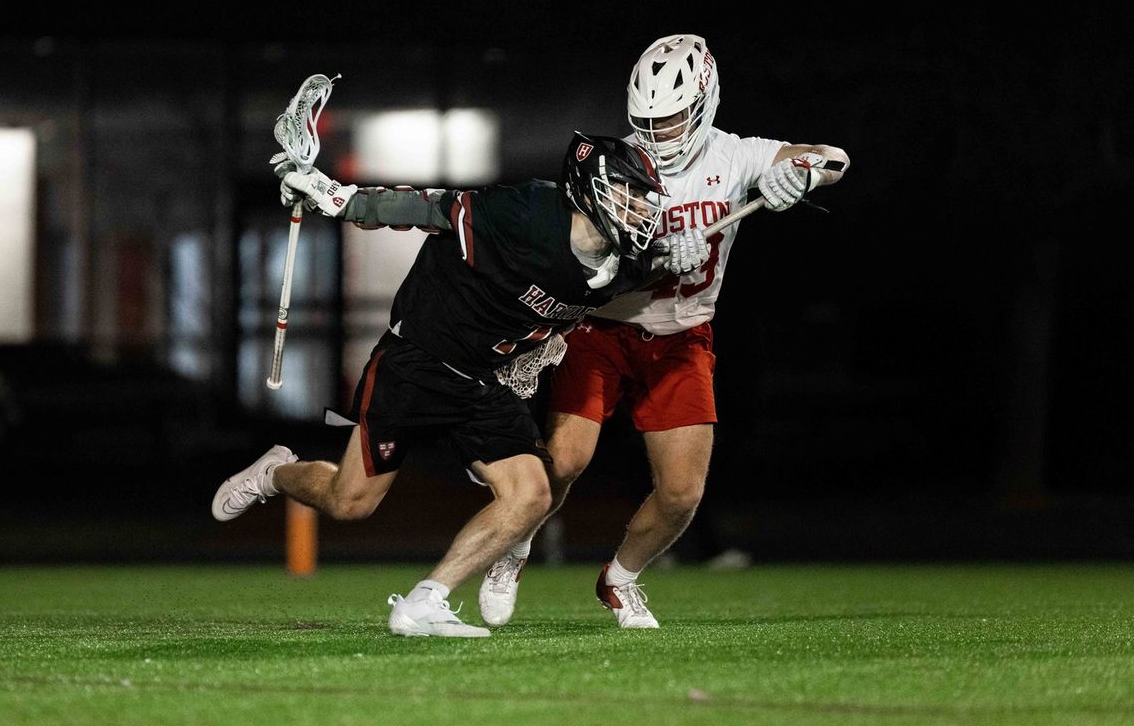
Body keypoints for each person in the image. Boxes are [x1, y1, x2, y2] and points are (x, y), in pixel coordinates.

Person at [211, 130, 699, 638]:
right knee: (348, 501)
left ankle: (426, 601)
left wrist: (673, 258)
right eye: (631, 193)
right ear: (589, 188)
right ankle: (275, 473)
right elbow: (429, 209)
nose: (642, 208)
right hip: (419, 359)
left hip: (481, 382)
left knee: (532, 493)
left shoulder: (631, 263)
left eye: (645, 198)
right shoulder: (526, 212)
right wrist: (339, 198)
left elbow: (628, 277)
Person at [478, 34, 851, 629]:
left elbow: (833, 157)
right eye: (648, 120)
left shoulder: (735, 157)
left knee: (681, 494)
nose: (660, 133)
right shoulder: (614, 164)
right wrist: (648, 258)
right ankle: (515, 546)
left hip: (682, 339)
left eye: (674, 118)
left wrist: (799, 175)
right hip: (603, 330)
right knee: (566, 460)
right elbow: (582, 269)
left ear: (704, 104)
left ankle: (620, 579)